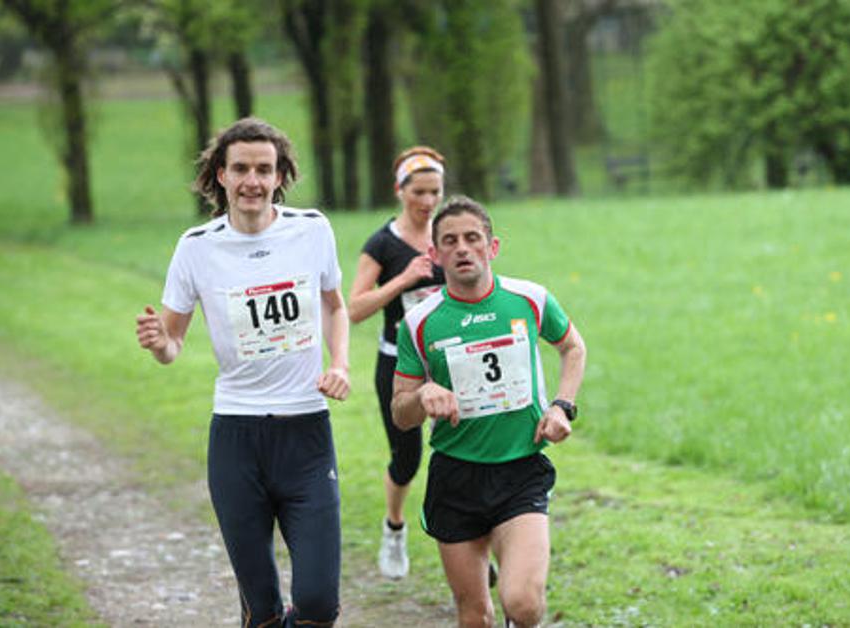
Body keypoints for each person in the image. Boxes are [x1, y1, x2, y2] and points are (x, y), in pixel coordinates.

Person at [135, 117, 350, 628]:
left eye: (264, 169)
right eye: (241, 169)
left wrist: (339, 364)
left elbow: (335, 306)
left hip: (306, 433)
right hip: (236, 439)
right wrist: (160, 343)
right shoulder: (196, 246)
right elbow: (172, 344)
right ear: (221, 175)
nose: (253, 180)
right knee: (261, 611)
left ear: (280, 176)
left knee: (319, 604)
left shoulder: (312, 230)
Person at [391, 195, 587, 627]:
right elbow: (400, 413)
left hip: (520, 469)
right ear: (435, 254)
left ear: (492, 247)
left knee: (524, 604)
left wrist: (561, 406)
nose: (462, 248)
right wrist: (422, 396)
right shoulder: (419, 322)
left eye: (472, 238)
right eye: (450, 241)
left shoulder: (529, 299)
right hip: (455, 476)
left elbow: (573, 347)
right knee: (475, 617)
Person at [347, 146, 446, 578]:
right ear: (399, 191)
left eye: (435, 192)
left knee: (461, 455)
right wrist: (403, 280)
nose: (428, 201)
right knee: (407, 460)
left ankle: (467, 541)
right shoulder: (382, 244)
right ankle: (394, 528)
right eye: (418, 192)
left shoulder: (449, 235)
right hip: (398, 365)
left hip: (451, 364)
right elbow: (354, 309)